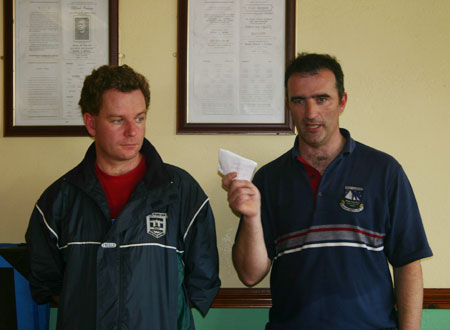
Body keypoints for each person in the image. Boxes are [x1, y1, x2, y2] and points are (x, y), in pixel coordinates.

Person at [222, 53, 432, 330]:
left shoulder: (384, 171)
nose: (310, 113)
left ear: (342, 102)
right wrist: (250, 217)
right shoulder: (269, 179)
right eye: (299, 100)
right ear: (289, 105)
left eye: (322, 99)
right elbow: (250, 275)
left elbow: (408, 263)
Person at [26, 64, 221, 330]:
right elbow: (47, 282)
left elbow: (203, 277)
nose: (132, 131)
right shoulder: (58, 199)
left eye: (139, 118)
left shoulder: (181, 191)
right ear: (91, 123)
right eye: (118, 120)